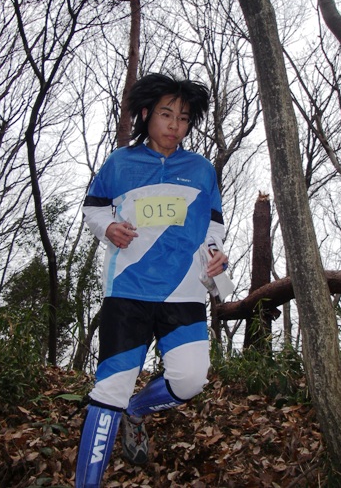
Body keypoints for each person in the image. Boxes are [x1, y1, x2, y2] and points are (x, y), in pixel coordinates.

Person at [75, 73, 228, 487]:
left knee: (190, 380)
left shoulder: (201, 170)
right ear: (146, 114)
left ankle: (138, 410)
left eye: (183, 118)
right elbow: (93, 208)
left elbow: (213, 225)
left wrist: (216, 254)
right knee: (110, 390)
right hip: (128, 289)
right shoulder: (119, 162)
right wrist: (108, 228)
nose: (175, 125)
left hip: (185, 291)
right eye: (166, 114)